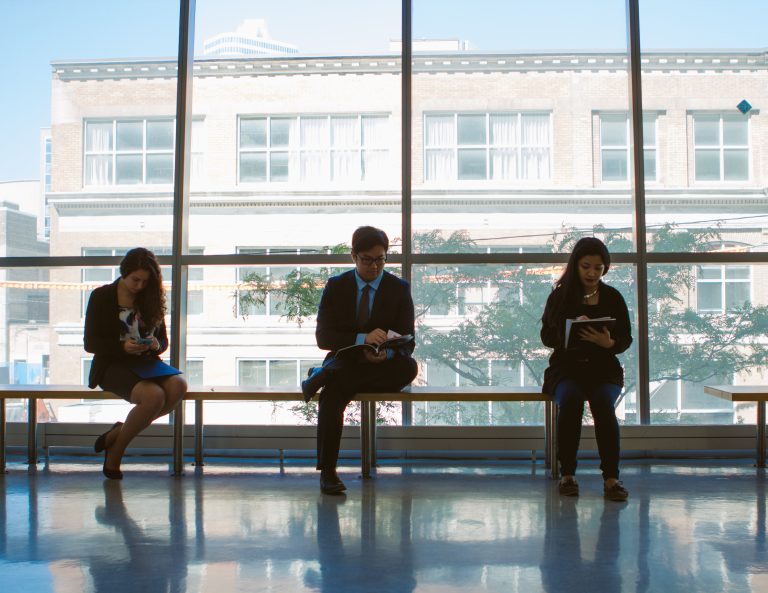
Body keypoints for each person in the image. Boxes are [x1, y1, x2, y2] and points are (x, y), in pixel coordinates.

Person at [302, 226, 418, 494]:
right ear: (353, 256)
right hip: (348, 359)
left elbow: (408, 341)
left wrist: (386, 352)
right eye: (367, 259)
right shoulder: (337, 286)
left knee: (408, 367)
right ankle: (328, 473)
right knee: (333, 396)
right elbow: (324, 337)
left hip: (383, 366)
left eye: (381, 259)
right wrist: (362, 339)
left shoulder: (398, 289)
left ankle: (324, 374)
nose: (375, 266)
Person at [540, 237, 632, 501]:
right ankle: (568, 474)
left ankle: (611, 478)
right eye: (586, 267)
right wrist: (568, 331)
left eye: (598, 268)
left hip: (603, 368)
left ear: (605, 268)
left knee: (603, 403)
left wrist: (608, 342)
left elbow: (625, 338)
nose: (592, 273)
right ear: (576, 266)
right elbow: (546, 337)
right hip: (567, 367)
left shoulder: (613, 296)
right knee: (570, 400)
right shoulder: (560, 296)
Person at [84, 247, 187, 479]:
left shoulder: (150, 297)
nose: (139, 285)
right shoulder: (101, 296)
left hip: (146, 361)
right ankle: (116, 454)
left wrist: (153, 345)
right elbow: (90, 343)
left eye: (145, 281)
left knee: (178, 386)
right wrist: (122, 347)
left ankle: (116, 434)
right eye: (135, 279)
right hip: (112, 364)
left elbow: (163, 342)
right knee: (154, 397)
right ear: (124, 272)